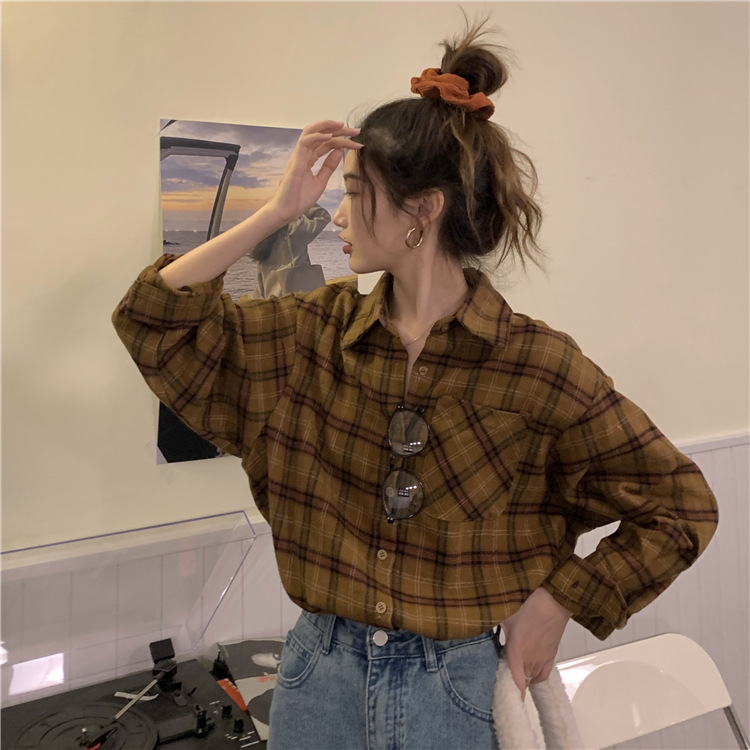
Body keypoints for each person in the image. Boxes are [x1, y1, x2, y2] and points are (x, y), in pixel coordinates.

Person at [113, 21, 718, 750]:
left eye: (355, 192)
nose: (337, 214)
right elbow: (154, 320)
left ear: (423, 211)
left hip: (457, 692)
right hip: (318, 682)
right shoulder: (311, 334)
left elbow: (680, 504)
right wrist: (276, 212)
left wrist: (563, 600)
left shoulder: (535, 366)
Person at [249, 203, 330, 298]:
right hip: (297, 296)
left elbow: (261, 281)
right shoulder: (293, 230)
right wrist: (301, 203)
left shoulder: (263, 240)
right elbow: (323, 217)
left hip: (274, 300)